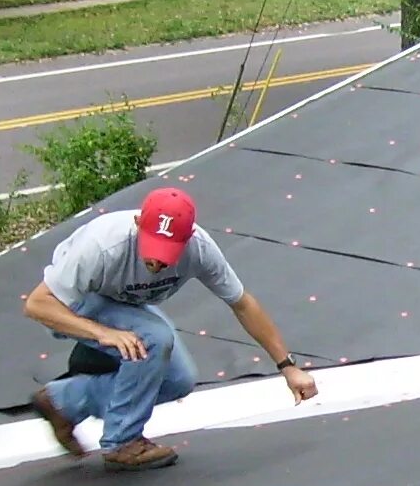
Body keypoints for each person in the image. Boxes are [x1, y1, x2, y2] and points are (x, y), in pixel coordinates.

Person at [21, 185, 316, 470]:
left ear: (188, 239)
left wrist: (287, 367)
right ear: (138, 224)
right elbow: (37, 304)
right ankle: (122, 442)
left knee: (178, 380)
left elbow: (242, 303)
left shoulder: (200, 249)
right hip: (74, 304)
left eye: (168, 251)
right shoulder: (101, 246)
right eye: (152, 247)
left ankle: (63, 401)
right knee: (153, 338)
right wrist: (103, 333)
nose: (157, 260)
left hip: (123, 304)